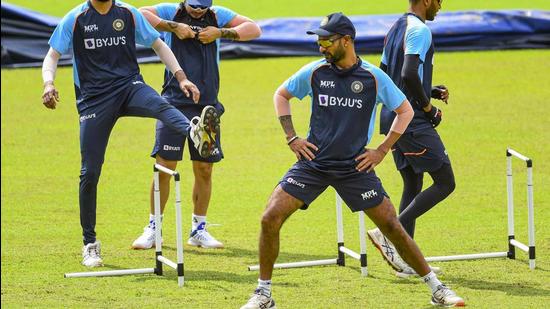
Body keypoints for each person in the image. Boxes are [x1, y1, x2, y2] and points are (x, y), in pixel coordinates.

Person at [241, 12, 464, 309]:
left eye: (326, 41)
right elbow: (281, 95)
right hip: (313, 165)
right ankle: (263, 294)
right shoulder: (315, 72)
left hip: (354, 168)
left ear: (346, 40)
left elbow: (405, 111)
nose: (321, 47)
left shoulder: (373, 77)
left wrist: (382, 150)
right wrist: (292, 137)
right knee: (270, 218)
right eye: (319, 40)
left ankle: (437, 289)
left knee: (393, 228)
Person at [41, 0, 219, 267]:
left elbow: (159, 43)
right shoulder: (76, 17)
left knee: (161, 105)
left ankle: (194, 132)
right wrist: (48, 83)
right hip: (94, 99)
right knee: (89, 172)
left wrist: (181, 77)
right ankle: (90, 244)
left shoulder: (128, 13)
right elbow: (53, 54)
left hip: (129, 86)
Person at [130, 0, 261, 250]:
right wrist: (174, 27)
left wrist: (220, 33)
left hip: (207, 105)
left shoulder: (217, 15)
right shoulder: (172, 11)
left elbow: (254, 28)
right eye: (194, 6)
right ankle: (154, 227)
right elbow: (139, 15)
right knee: (164, 166)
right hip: (172, 103)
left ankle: (199, 229)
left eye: (203, 6)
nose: (199, 11)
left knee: (204, 168)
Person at [367, 0, 456, 278]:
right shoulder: (419, 30)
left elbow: (385, 77)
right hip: (411, 120)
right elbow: (406, 73)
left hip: (391, 116)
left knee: (413, 182)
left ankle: (406, 260)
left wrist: (427, 89)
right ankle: (388, 233)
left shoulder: (395, 28)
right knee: (445, 182)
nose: (440, 6)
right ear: (427, 0)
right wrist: (428, 109)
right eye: (439, 1)